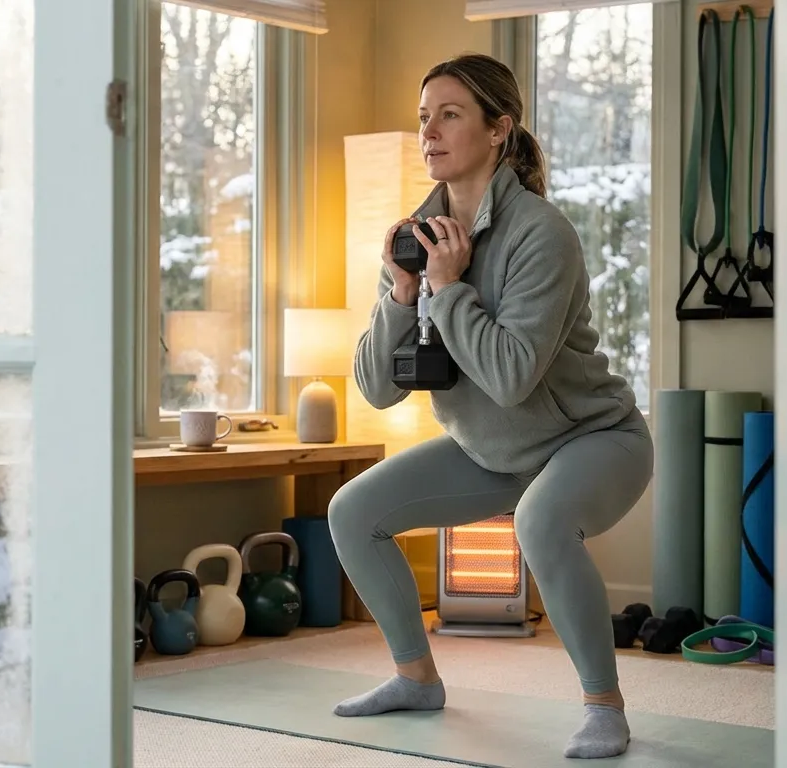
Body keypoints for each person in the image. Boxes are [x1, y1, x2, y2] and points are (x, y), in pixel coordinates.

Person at [327, 53, 654, 760]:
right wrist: (403, 293)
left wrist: (448, 291)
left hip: (592, 438)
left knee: (541, 521)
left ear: (499, 127)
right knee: (352, 511)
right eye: (423, 117)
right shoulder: (419, 234)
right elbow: (379, 388)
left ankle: (605, 708)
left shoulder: (543, 233)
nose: (429, 132)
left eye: (450, 114)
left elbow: (510, 377)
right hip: (494, 450)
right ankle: (415, 679)